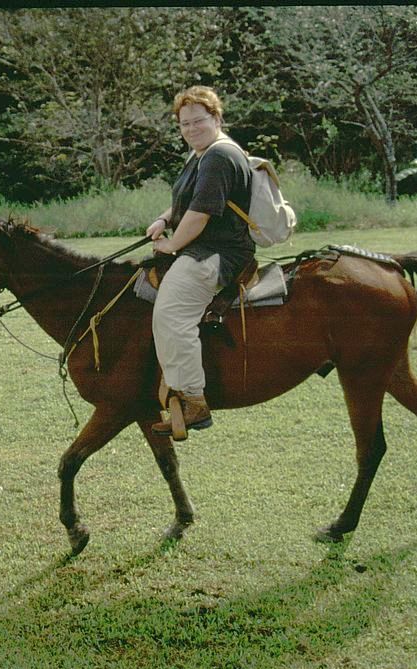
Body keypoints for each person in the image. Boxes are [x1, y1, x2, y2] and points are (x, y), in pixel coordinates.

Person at [145, 85, 255, 437]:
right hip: (203, 246)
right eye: (184, 124)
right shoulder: (201, 154)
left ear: (217, 118)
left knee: (171, 314)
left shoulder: (219, 156)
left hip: (217, 252)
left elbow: (200, 214)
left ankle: (193, 401)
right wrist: (164, 219)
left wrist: (171, 244)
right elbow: (188, 202)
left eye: (198, 121)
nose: (191, 129)